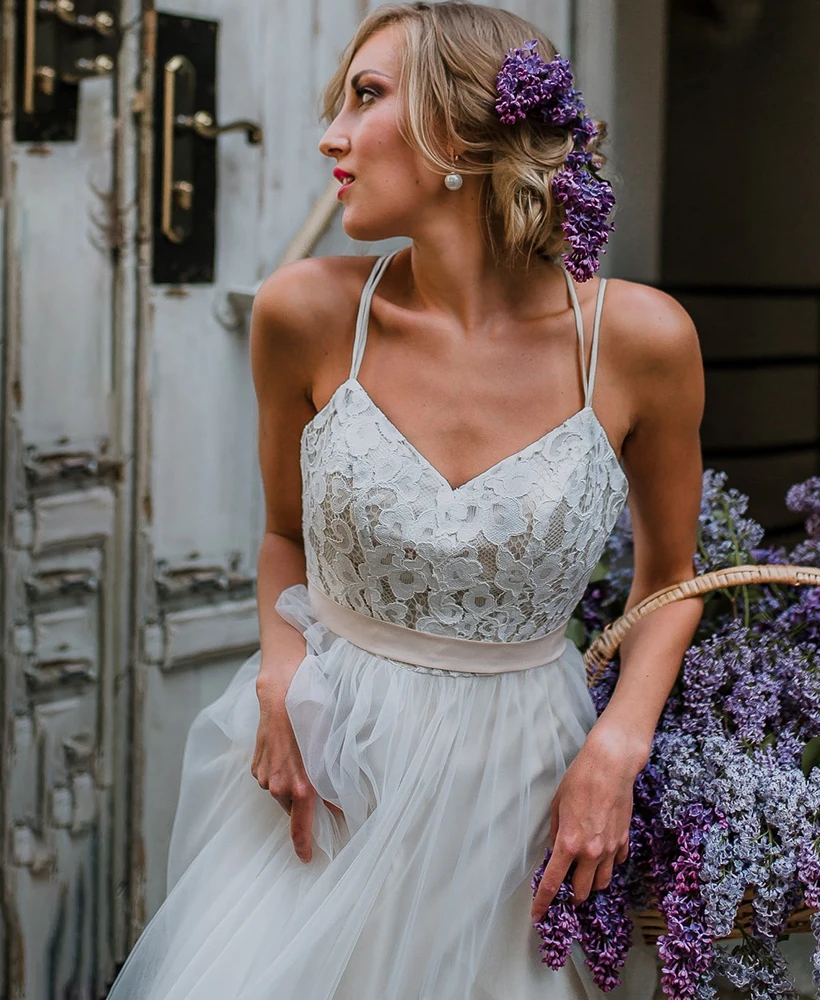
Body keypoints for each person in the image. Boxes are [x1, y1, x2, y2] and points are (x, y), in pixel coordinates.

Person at [107, 2, 705, 997]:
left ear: (465, 135)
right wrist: (281, 668)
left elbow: (672, 577)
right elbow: (283, 537)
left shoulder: (640, 340)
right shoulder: (303, 315)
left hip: (522, 789)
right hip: (334, 774)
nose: (328, 135)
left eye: (366, 96)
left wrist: (617, 746)